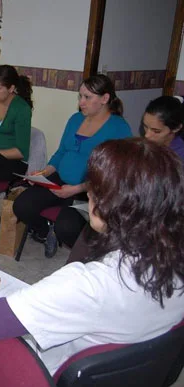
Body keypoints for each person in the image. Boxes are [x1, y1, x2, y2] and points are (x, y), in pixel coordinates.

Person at [0, 138, 184, 376]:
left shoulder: (87, 284)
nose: (89, 195)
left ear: (106, 204)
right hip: (125, 382)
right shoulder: (174, 259)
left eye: (92, 190)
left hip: (47, 378)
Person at [13, 74, 131, 258]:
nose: (81, 102)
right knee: (22, 205)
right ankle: (45, 232)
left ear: (105, 99)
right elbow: (61, 152)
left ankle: (85, 253)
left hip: (90, 189)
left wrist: (77, 189)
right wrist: (45, 172)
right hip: (60, 179)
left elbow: (114, 174)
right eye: (80, 96)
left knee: (66, 227)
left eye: (87, 97)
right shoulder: (76, 119)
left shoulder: (119, 128)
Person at [64, 95, 184, 264]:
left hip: (156, 222)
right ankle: (76, 274)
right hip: (129, 212)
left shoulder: (177, 159)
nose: (148, 136)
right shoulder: (143, 149)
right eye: (145, 127)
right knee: (89, 231)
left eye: (156, 131)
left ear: (176, 128)